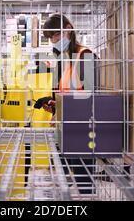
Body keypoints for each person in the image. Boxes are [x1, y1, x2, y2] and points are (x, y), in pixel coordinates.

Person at [38, 13, 98, 195]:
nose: (54, 40)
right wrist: (52, 105)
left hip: (81, 126)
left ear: (68, 28)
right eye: (50, 38)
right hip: (62, 125)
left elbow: (90, 95)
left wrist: (66, 109)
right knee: (60, 173)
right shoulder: (59, 59)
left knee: (83, 178)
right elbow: (59, 93)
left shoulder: (84, 55)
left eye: (56, 35)